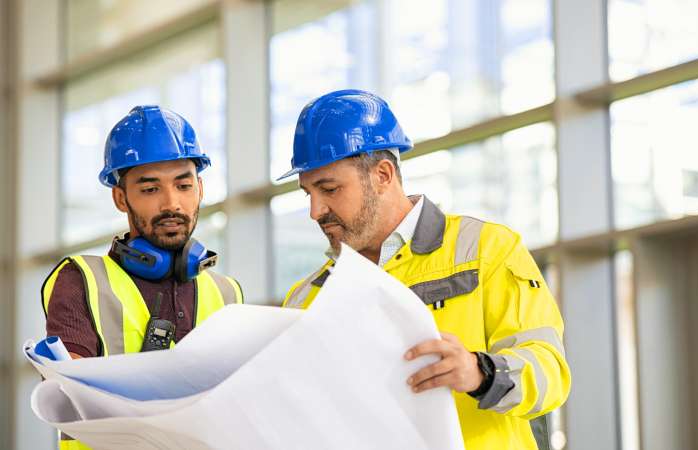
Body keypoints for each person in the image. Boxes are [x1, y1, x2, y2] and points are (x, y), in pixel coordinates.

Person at [279, 90, 570, 449]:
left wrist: (481, 372)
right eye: (308, 193)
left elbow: (550, 373)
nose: (315, 211)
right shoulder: (305, 298)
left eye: (329, 189)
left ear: (383, 174)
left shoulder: (486, 250)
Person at [42, 105, 243, 450]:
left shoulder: (228, 294)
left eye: (184, 185)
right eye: (150, 190)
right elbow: (76, 402)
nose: (172, 203)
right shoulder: (82, 279)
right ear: (121, 198)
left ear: (201, 189)